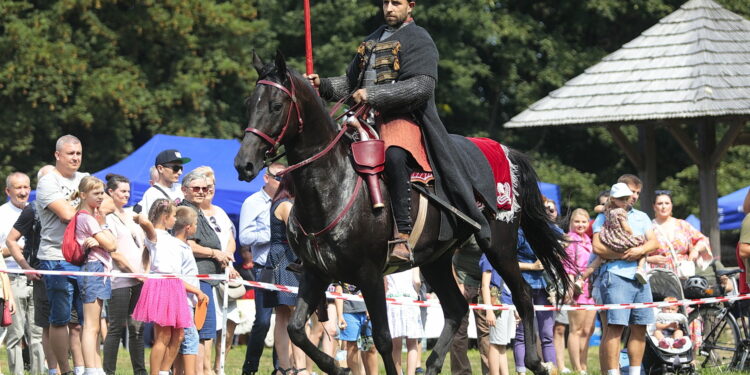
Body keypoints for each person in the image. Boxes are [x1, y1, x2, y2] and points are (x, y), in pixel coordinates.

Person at [306, 0, 495, 262]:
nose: (389, 8)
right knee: (326, 154)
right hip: (365, 119)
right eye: (386, 2)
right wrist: (323, 84)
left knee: (394, 155)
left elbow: (420, 87)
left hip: (404, 117)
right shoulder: (371, 40)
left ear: (411, 6)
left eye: (396, 3)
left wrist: (372, 94)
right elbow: (350, 83)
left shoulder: (419, 38)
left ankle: (402, 235)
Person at [592, 174, 659, 375]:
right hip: (615, 276)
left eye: (638, 193)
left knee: (640, 327)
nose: (634, 196)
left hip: (641, 278)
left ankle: (635, 372)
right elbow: (597, 247)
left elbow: (654, 243)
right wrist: (624, 255)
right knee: (615, 328)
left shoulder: (642, 216)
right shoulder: (604, 216)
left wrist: (639, 252)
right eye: (631, 192)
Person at [132, 199, 208, 375]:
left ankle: (165, 371)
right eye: (173, 215)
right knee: (163, 336)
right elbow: (144, 221)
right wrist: (138, 215)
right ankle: (155, 373)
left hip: (175, 285)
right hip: (162, 285)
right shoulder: (154, 235)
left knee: (179, 336)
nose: (175, 219)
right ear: (165, 216)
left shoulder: (171, 238)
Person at [36, 135, 89, 375]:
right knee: (59, 320)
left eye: (78, 153)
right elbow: (67, 215)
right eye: (70, 153)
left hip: (84, 258)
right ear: (57, 155)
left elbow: (107, 206)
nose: (76, 158)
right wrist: (89, 208)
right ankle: (62, 371)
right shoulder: (49, 181)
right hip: (56, 257)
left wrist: (91, 209)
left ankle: (81, 369)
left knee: (79, 322)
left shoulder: (86, 178)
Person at [179, 170, 236, 375]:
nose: (202, 192)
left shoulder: (197, 210)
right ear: (184, 190)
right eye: (196, 188)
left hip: (207, 280)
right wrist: (214, 253)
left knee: (206, 332)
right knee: (202, 332)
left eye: (205, 188)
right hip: (197, 280)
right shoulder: (185, 211)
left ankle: (205, 371)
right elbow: (187, 244)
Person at [5, 165, 56, 375]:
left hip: (37, 277)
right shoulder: (1, 214)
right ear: (8, 191)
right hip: (11, 278)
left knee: (37, 332)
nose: (23, 191)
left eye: (26, 187)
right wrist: (16, 251)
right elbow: (8, 243)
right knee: (15, 334)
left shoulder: (41, 210)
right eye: (18, 188)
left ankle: (38, 372)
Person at [239, 163, 284, 375]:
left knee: (284, 319)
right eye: (278, 177)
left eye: (286, 177)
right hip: (263, 267)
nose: (282, 182)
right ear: (266, 178)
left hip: (285, 266)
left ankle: (280, 367)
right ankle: (250, 368)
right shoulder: (253, 202)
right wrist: (274, 235)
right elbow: (245, 237)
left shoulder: (288, 200)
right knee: (263, 321)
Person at [70, 177, 117, 375]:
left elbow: (112, 243)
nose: (100, 197)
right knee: (90, 325)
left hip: (99, 269)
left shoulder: (94, 218)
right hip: (93, 269)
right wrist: (102, 236)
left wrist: (103, 227)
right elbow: (112, 245)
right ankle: (90, 369)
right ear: (83, 195)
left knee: (96, 325)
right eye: (95, 193)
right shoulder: (86, 218)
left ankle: (96, 367)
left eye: (102, 193)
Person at [102, 174, 147, 375]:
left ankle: (140, 371)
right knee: (116, 328)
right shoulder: (107, 217)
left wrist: (143, 272)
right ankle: (109, 371)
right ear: (110, 192)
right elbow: (115, 252)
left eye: (128, 191)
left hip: (140, 278)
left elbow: (144, 245)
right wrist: (134, 272)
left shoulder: (130, 214)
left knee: (137, 329)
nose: (127, 195)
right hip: (120, 278)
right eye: (122, 191)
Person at [262, 173, 306, 374]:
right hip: (287, 260)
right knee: (296, 315)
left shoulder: (279, 202)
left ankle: (285, 368)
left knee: (282, 316)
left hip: (280, 259)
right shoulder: (286, 205)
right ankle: (300, 367)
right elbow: (299, 235)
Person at [513, 228, 555, 374]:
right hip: (524, 285)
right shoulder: (517, 233)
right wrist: (532, 266)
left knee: (547, 334)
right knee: (522, 334)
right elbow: (508, 262)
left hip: (546, 288)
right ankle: (521, 371)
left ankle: (552, 370)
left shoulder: (545, 229)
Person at [650, 190, 712, 278]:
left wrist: (695, 250)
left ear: (671, 205)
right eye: (660, 203)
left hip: (683, 274)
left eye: (667, 203)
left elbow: (703, 240)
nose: (663, 206)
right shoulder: (649, 227)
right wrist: (650, 259)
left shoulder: (682, 225)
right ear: (654, 207)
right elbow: (638, 253)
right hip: (659, 277)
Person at [450, 238, 490, 375]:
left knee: (486, 331)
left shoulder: (495, 230)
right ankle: (461, 372)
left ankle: (490, 371)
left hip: (484, 286)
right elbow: (449, 255)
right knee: (459, 331)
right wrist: (457, 283)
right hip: (463, 283)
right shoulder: (470, 234)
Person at [564, 209, 596, 374]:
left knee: (587, 330)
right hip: (577, 286)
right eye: (577, 221)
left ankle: (584, 365)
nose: (581, 225)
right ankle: (577, 367)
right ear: (571, 222)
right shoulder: (570, 239)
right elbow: (568, 266)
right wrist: (570, 288)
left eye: (584, 222)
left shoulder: (588, 240)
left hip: (591, 288)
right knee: (575, 329)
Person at [170, 207, 202, 375]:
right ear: (188, 227)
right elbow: (175, 277)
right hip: (181, 299)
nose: (197, 226)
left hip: (186, 299)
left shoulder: (184, 246)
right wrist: (197, 291)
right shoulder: (177, 247)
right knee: (190, 339)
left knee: (180, 338)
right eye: (195, 223)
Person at [599, 183, 648, 284]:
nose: (625, 202)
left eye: (626, 199)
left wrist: (604, 207)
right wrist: (631, 233)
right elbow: (626, 228)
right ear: (613, 199)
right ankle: (640, 269)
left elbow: (597, 208)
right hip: (621, 238)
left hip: (610, 238)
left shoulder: (607, 210)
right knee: (644, 246)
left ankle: (582, 279)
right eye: (622, 199)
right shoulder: (620, 211)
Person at [480, 253, 516, 375]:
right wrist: (489, 310)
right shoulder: (488, 256)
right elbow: (485, 285)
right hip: (497, 304)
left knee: (502, 345)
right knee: (495, 344)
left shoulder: (505, 254)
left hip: (508, 302)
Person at [385, 268, 423, 375]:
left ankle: (398, 373)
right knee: (412, 344)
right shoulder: (412, 259)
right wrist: (416, 291)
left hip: (392, 301)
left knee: (396, 346)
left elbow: (385, 284)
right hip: (410, 300)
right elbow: (417, 281)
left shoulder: (389, 260)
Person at [335, 283, 378, 375]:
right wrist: (339, 316)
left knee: (370, 347)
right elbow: (338, 289)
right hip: (349, 312)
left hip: (366, 312)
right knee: (352, 346)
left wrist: (371, 308)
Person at [137, 149, 191, 216]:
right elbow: (148, 222)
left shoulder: (181, 188)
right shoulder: (151, 194)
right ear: (160, 168)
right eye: (176, 168)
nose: (180, 172)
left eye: (181, 168)